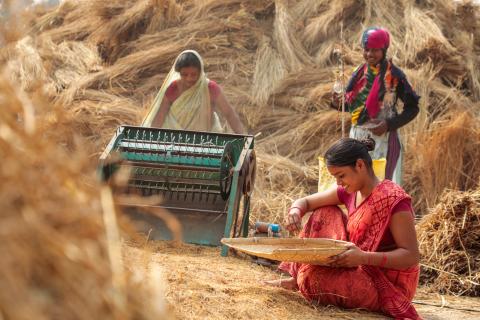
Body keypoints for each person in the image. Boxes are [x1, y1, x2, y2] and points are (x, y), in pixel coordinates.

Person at [264, 138, 421, 320]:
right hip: (355, 262)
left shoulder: (394, 200)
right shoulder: (350, 191)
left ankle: (300, 279)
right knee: (324, 211)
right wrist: (295, 211)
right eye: (335, 178)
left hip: (383, 281)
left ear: (360, 165)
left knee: (311, 279)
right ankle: (294, 279)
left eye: (341, 176)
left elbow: (411, 256)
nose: (339, 183)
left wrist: (363, 257)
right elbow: (306, 202)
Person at [332, 27, 420, 185]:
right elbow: (352, 104)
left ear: (384, 50)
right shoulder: (359, 73)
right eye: (366, 49)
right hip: (357, 138)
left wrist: (388, 125)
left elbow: (413, 108)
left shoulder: (395, 76)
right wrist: (337, 103)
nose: (369, 54)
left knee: (383, 187)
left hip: (383, 140)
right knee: (358, 186)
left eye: (375, 50)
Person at [142, 50, 245, 133]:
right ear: (179, 73)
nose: (189, 79)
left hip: (204, 142)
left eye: (194, 74)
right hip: (174, 142)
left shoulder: (210, 88)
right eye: (184, 75)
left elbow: (229, 114)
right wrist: (151, 138)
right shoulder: (173, 89)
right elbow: (160, 116)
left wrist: (243, 139)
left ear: (200, 72)